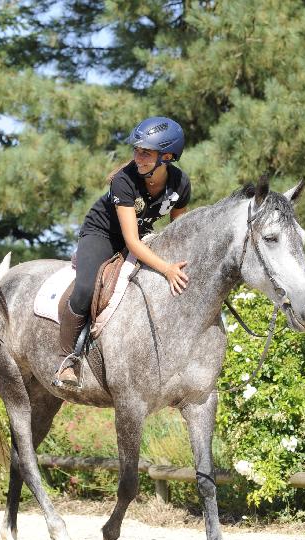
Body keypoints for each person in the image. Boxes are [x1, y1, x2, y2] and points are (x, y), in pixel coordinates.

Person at [55, 116, 191, 387]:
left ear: (167, 156)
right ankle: (67, 359)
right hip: (103, 234)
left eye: (146, 152)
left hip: (142, 236)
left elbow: (180, 231)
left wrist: (179, 266)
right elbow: (131, 242)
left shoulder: (181, 185)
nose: (138, 157)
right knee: (84, 289)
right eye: (136, 150)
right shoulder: (123, 180)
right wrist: (166, 268)